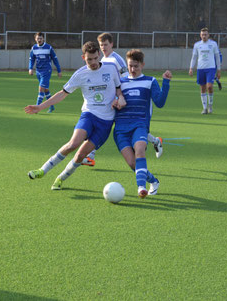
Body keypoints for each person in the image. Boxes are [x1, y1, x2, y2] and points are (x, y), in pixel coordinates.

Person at [25, 41, 126, 190]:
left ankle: (60, 178)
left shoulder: (111, 69)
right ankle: (43, 170)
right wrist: (40, 107)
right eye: (88, 59)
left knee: (80, 156)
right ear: (83, 57)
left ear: (99, 55)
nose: (92, 62)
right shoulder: (80, 74)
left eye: (95, 58)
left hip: (106, 122)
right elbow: (62, 94)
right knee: (73, 144)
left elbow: (119, 89)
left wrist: (119, 98)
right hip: (89, 115)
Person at [82, 33, 164, 167]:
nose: (103, 47)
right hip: (107, 99)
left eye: (106, 44)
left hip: (121, 101)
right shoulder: (103, 59)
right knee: (104, 125)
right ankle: (155, 141)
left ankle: (90, 154)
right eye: (101, 45)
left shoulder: (116, 60)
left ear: (111, 44)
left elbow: (127, 80)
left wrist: (119, 98)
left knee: (108, 125)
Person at [114, 49, 171, 198]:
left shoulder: (150, 81)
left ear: (142, 65)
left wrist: (165, 83)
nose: (132, 70)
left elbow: (159, 103)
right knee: (133, 164)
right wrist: (115, 102)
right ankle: (154, 181)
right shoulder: (120, 82)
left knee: (140, 150)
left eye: (136, 66)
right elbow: (112, 101)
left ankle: (141, 187)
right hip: (120, 128)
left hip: (140, 125)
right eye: (130, 66)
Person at [189, 27, 221, 114]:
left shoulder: (213, 44)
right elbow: (194, 57)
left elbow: (217, 57)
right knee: (202, 88)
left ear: (208, 35)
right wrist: (191, 68)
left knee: (209, 87)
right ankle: (204, 108)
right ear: (200, 35)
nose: (204, 36)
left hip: (211, 68)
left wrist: (219, 69)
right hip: (200, 69)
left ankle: (210, 105)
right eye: (202, 34)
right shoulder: (197, 45)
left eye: (205, 34)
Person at [29, 32, 62, 113]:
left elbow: (55, 59)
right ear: (35, 39)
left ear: (43, 38)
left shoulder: (48, 47)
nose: (39, 40)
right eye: (38, 38)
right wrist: (30, 68)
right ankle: (51, 106)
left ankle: (36, 108)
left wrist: (59, 70)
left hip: (47, 71)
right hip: (38, 71)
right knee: (45, 89)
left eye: (40, 38)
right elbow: (31, 59)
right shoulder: (34, 48)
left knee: (41, 89)